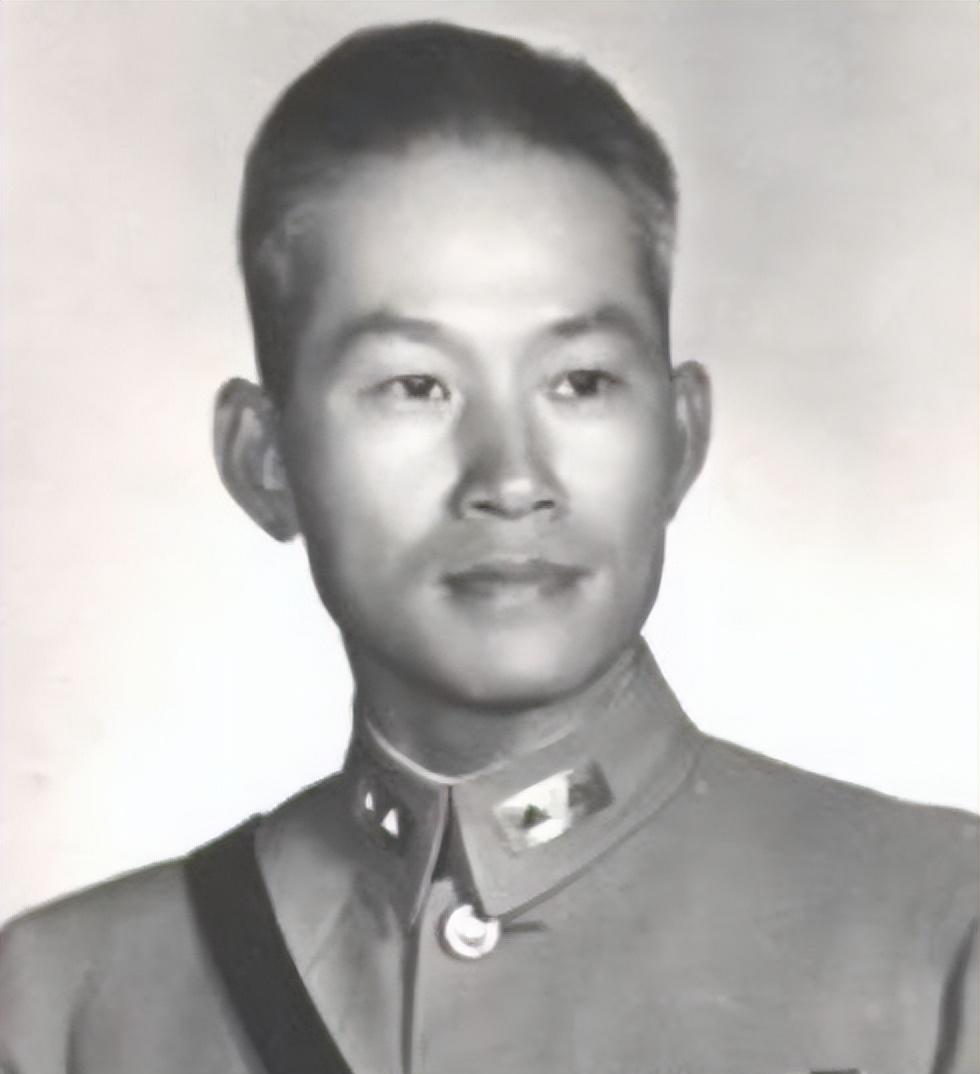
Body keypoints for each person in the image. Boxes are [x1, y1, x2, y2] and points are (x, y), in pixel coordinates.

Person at [0, 20, 976, 1074]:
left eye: (580, 382)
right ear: (264, 458)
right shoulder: (68, 1002)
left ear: (679, 436)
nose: (511, 477)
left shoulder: (939, 940)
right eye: (414, 385)